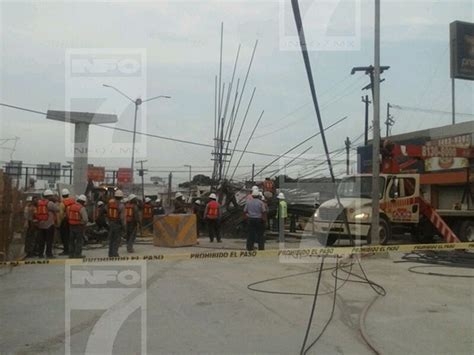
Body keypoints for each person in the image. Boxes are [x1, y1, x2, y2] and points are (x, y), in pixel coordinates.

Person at [35, 189, 59, 258]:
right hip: (49, 224)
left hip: (40, 224)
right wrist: (56, 202)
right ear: (49, 196)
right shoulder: (50, 203)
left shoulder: (38, 203)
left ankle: (40, 254)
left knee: (41, 241)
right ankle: (49, 254)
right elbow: (57, 209)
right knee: (49, 240)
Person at [67, 194, 88, 258]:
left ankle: (71, 254)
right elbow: (85, 219)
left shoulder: (71, 207)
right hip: (79, 226)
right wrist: (83, 223)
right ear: (83, 202)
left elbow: (68, 215)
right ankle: (77, 254)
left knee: (71, 241)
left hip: (71, 226)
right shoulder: (81, 208)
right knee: (79, 241)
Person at [107, 189, 125, 257]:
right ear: (121, 197)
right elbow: (122, 218)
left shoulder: (110, 204)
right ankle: (115, 254)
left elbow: (107, 213)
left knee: (111, 239)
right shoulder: (121, 206)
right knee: (116, 240)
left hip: (111, 223)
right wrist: (124, 227)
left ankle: (110, 253)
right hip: (117, 225)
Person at [58, 188, 75, 256]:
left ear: (62, 195)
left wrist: (59, 224)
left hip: (65, 221)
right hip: (73, 220)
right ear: (68, 194)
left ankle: (66, 250)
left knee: (64, 236)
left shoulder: (62, 203)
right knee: (72, 236)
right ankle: (72, 249)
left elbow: (61, 215)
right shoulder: (73, 201)